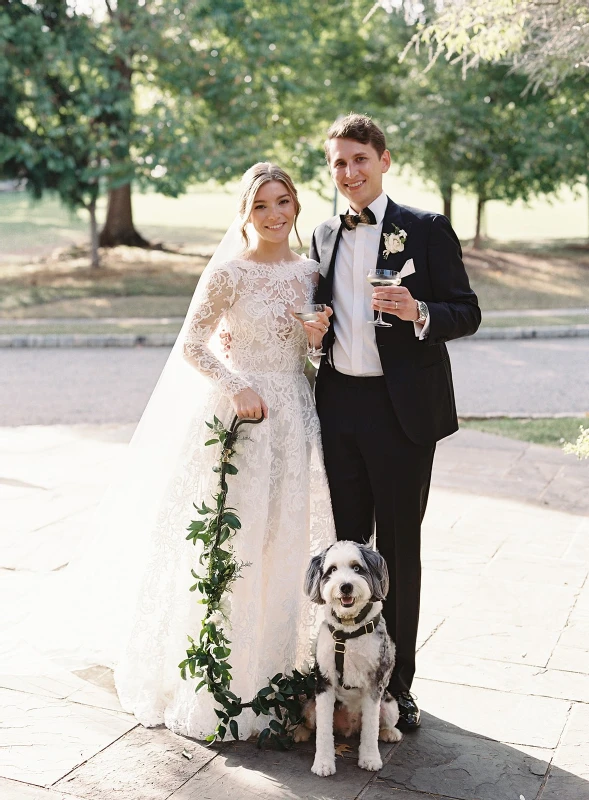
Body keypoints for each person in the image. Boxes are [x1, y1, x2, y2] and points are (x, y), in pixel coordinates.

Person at [26, 163, 335, 741]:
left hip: (294, 417)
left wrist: (315, 342)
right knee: (234, 541)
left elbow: (306, 358)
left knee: (284, 540)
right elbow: (193, 343)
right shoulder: (228, 272)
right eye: (262, 205)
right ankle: (222, 681)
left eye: (284, 202)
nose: (274, 215)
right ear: (245, 212)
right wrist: (238, 385)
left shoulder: (310, 273)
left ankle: (277, 674)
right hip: (239, 417)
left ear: (297, 206)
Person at [310, 114, 481, 731]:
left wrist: (418, 310)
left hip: (402, 413)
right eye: (338, 163)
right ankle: (347, 678)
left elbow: (467, 312)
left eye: (360, 159)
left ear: (384, 160)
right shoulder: (324, 235)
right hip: (341, 409)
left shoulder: (427, 230)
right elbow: (320, 314)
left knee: (398, 555)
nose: (349, 172)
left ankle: (396, 687)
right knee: (347, 553)